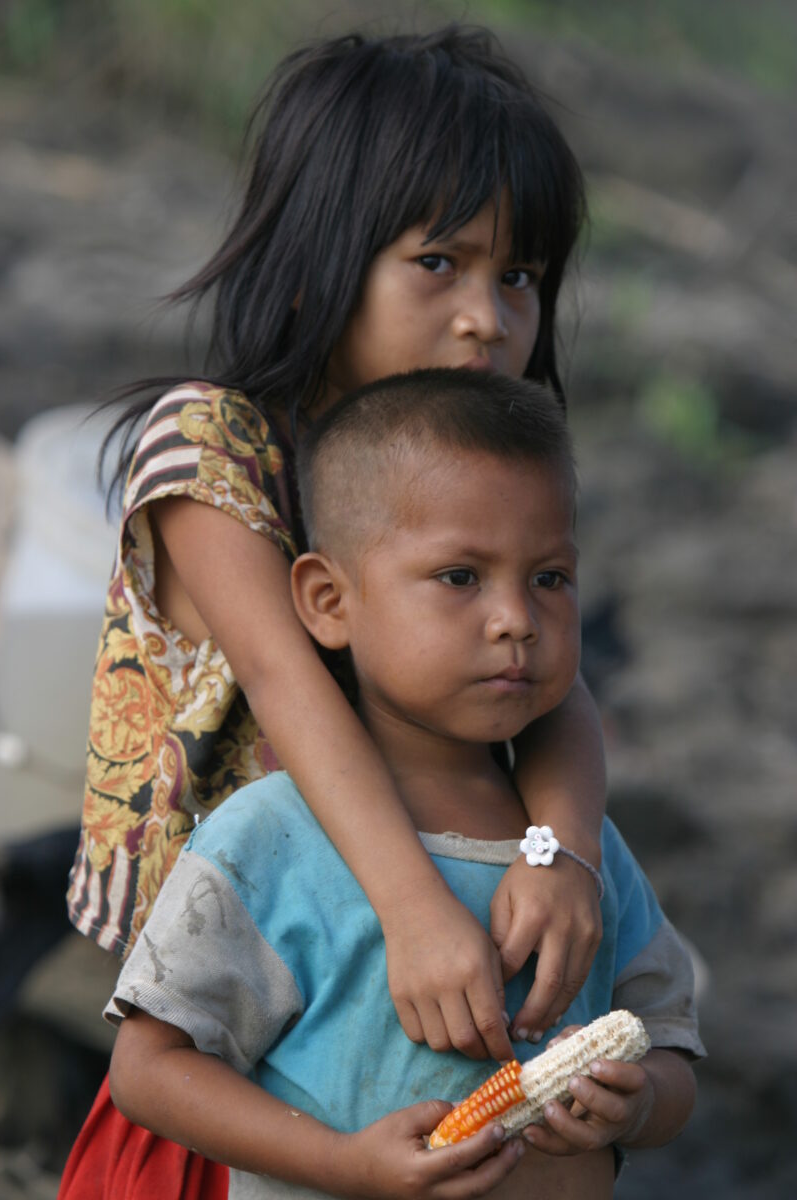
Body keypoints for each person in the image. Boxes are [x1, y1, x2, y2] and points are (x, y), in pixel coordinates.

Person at [62, 25, 607, 1197]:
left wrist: (557, 852)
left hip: (418, 1003)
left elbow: (562, 699)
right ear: (320, 259)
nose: (486, 320)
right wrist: (414, 910)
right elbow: (286, 684)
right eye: (439, 265)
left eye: (515, 279)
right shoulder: (215, 444)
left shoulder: (476, 475)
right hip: (247, 1004)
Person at [104, 369, 704, 1200]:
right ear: (327, 601)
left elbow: (669, 1043)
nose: (515, 619)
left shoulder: (577, 851)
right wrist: (342, 1164)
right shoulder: (271, 837)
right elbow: (149, 1071)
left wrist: (638, 1107)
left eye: (550, 579)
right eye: (460, 577)